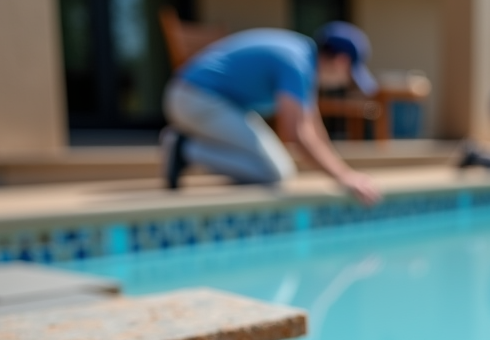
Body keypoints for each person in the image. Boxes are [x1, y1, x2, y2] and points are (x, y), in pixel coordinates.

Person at [160, 21, 381, 205]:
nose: (345, 82)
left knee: (272, 168)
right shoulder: (298, 64)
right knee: (274, 173)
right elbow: (296, 134)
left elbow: (313, 128)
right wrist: (343, 177)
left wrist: (345, 172)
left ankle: (186, 146)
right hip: (194, 98)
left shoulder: (303, 56)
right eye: (350, 76)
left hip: (209, 101)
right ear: (341, 61)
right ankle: (184, 148)